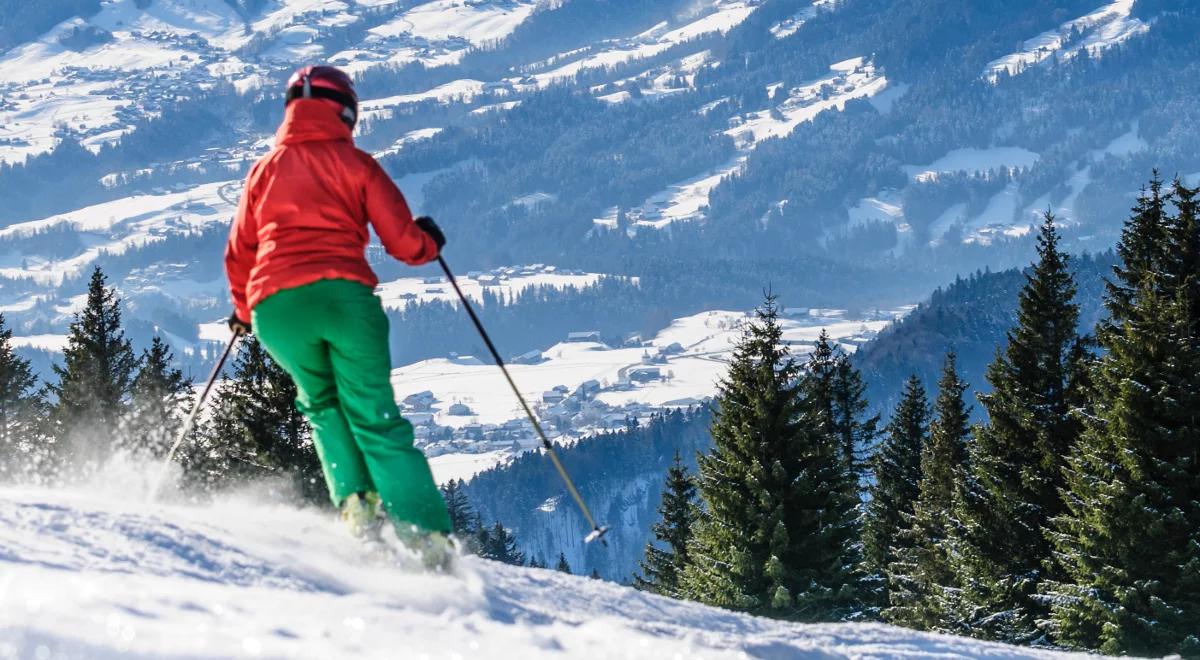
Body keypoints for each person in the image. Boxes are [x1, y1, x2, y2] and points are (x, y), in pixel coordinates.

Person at [224, 65, 453, 568]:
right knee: (374, 416)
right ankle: (426, 539)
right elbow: (401, 240)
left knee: (322, 404)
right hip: (345, 299)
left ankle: (357, 511)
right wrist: (428, 243)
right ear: (347, 111)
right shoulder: (356, 164)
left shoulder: (263, 170)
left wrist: (244, 311)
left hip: (277, 309)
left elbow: (240, 251)